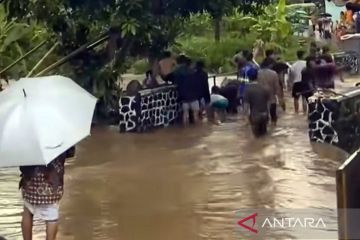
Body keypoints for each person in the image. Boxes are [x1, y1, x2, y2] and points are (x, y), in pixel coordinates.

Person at [20, 146, 76, 240]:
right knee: (52, 216)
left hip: (30, 179)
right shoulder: (60, 132)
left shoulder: (27, 133)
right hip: (52, 182)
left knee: (28, 211)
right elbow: (70, 152)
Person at [172, 55, 199, 125]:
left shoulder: (177, 71)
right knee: (195, 115)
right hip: (193, 96)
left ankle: (185, 129)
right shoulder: (192, 71)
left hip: (183, 96)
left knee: (185, 114)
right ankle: (197, 130)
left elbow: (175, 83)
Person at [243, 68, 270, 137]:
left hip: (255, 116)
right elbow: (268, 103)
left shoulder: (247, 89)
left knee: (256, 137)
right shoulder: (264, 87)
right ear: (257, 76)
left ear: (248, 77)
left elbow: (246, 106)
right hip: (265, 114)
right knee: (264, 136)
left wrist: (246, 118)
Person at [258, 57, 283, 126]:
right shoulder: (273, 73)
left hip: (260, 99)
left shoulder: (257, 73)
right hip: (272, 99)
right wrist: (281, 99)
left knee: (262, 119)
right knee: (273, 118)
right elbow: (277, 87)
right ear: (270, 65)